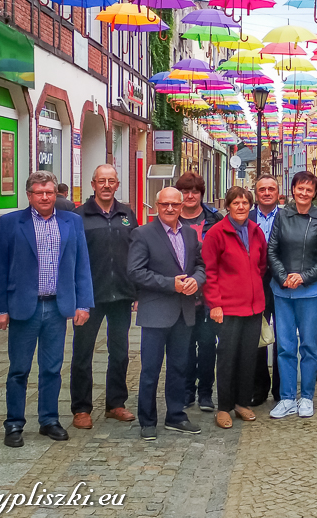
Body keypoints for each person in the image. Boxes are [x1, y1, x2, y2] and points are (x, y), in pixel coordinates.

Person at [0, 171, 93, 448]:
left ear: (56, 193)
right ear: (29, 195)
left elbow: (82, 265)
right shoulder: (11, 223)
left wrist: (83, 303)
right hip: (24, 308)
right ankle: (14, 424)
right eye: (39, 192)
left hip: (57, 308)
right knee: (19, 369)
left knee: (52, 368)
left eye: (49, 192)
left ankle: (49, 420)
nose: (45, 197)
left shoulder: (72, 222)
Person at [127, 187, 206, 441]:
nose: (170, 209)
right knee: (150, 369)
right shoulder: (142, 233)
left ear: (182, 206)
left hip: (184, 312)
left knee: (179, 368)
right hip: (155, 311)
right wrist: (171, 284)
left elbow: (201, 266)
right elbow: (136, 272)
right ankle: (147, 420)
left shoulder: (191, 236)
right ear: (156, 205)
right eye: (164, 204)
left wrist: (196, 280)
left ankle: (175, 415)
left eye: (175, 204)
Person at [69, 164, 138, 430]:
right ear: (93, 184)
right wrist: (75, 295)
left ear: (117, 185)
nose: (107, 185)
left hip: (121, 294)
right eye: (102, 181)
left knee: (120, 352)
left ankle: (115, 404)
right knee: (82, 354)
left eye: (111, 181)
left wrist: (136, 290)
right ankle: (81, 408)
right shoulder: (79, 216)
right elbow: (72, 258)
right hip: (89, 296)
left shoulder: (127, 214)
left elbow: (135, 253)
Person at [266, 171, 317, 419]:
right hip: (283, 290)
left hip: (311, 291)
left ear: (315, 193)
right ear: (293, 189)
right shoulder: (282, 216)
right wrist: (284, 276)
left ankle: (306, 397)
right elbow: (271, 250)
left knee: (309, 347)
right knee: (284, 347)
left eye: (309, 189)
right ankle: (286, 398)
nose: (304, 193)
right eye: (300, 188)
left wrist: (304, 277)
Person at [202, 186, 268, 429]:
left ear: (250, 206)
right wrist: (215, 304)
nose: (241, 207)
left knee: (248, 357)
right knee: (227, 358)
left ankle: (242, 402)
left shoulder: (255, 231)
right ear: (227, 206)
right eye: (236, 203)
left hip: (253, 307)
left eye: (245, 203)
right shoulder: (217, 233)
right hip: (227, 308)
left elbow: (261, 265)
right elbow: (210, 272)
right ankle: (224, 407)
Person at [176, 171, 222, 412]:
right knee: (183, 344)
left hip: (208, 292)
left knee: (206, 344)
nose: (190, 195)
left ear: (201, 194)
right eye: (185, 191)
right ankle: (186, 390)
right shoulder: (171, 218)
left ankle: (206, 392)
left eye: (194, 191)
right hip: (179, 292)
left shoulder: (215, 219)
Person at [250, 174, 281, 406]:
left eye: (271, 188)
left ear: (278, 192)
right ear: (256, 192)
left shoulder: (288, 216)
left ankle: (281, 390)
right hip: (255, 284)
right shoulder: (245, 216)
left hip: (282, 284)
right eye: (263, 189)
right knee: (257, 337)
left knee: (283, 338)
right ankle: (258, 388)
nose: (267, 192)